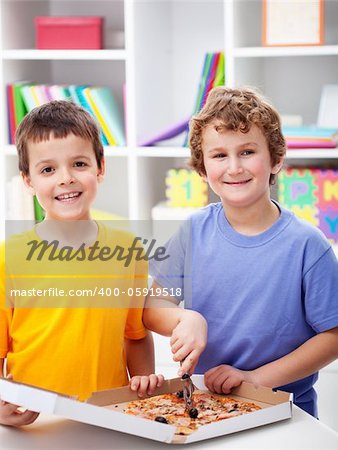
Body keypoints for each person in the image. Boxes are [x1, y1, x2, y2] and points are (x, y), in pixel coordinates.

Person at [143, 86, 338, 417]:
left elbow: (333, 336)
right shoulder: (192, 232)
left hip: (287, 411)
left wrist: (254, 380)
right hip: (206, 406)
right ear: (203, 169)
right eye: (219, 155)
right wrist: (185, 318)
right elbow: (151, 307)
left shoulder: (308, 245)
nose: (234, 167)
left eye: (247, 152)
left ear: (276, 159)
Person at [0, 100, 166, 427]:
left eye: (79, 163)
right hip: (35, 419)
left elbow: (135, 334)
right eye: (48, 169)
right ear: (28, 180)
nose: (66, 179)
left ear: (100, 167)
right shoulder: (10, 257)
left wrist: (147, 391)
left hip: (109, 414)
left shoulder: (128, 250)